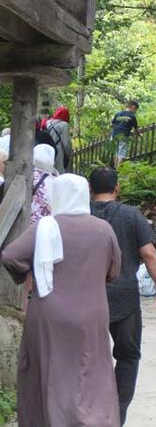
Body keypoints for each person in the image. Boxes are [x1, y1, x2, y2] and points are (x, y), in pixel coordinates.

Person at [1, 174, 122, 426]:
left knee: (49, 373)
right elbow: (114, 270)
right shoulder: (103, 229)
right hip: (91, 314)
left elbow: (10, 256)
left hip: (48, 315)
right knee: (92, 372)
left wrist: (32, 272)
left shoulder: (45, 227)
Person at [89, 167, 156, 425]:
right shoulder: (131, 215)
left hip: (87, 301)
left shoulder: (82, 216)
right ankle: (117, 413)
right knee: (128, 356)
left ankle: (89, 412)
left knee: (88, 357)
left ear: (90, 190)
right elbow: (148, 253)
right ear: (117, 188)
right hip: (125, 299)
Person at [44, 105, 73, 173]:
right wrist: (69, 154)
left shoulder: (48, 122)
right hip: (58, 151)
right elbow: (66, 143)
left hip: (47, 150)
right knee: (58, 171)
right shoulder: (64, 125)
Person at [111, 101, 140, 168]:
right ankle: (118, 169)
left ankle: (115, 167)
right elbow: (136, 129)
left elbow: (113, 124)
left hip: (114, 135)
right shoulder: (132, 116)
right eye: (136, 110)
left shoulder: (118, 113)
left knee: (116, 151)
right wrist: (139, 135)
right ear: (133, 107)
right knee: (122, 152)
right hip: (124, 135)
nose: (135, 112)